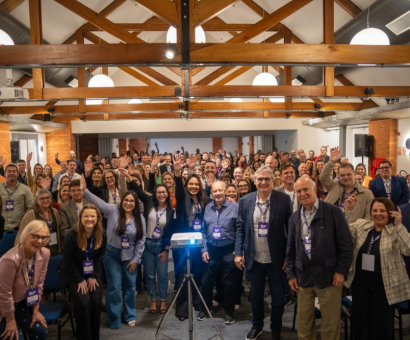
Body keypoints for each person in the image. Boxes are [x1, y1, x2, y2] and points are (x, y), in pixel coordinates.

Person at [286, 176, 353, 340]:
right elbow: (291, 248)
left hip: (329, 276)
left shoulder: (332, 211)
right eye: (299, 191)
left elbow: (346, 244)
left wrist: (341, 271)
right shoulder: (294, 218)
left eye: (305, 189)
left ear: (314, 189)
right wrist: (291, 274)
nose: (302, 194)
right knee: (304, 324)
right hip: (303, 277)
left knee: (330, 325)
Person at [235, 166, 292, 340]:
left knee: (278, 298)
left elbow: (291, 230)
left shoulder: (283, 200)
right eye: (260, 179)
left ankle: (276, 328)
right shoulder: (245, 201)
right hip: (254, 258)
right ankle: (257, 325)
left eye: (267, 179)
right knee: (256, 296)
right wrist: (238, 252)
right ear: (254, 180)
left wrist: (288, 257)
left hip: (277, 259)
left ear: (273, 181)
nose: (263, 182)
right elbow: (240, 228)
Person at [82, 176, 146, 329]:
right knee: (114, 287)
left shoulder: (140, 218)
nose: (128, 203)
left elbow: (141, 240)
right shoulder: (113, 210)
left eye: (131, 201)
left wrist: (136, 260)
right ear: (122, 201)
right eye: (126, 200)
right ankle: (114, 317)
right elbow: (100, 203)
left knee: (130, 287)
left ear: (135, 204)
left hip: (130, 256)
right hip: (112, 255)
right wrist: (85, 191)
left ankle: (130, 315)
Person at [344, 197, 410, 340]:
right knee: (360, 324)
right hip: (360, 285)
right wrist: (348, 210)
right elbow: (344, 233)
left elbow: (408, 249)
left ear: (390, 212)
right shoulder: (363, 226)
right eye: (375, 210)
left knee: (381, 325)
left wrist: (399, 225)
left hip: (385, 286)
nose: (378, 214)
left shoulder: (395, 231)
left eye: (382, 210)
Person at [120, 169, 173, 315]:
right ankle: (153, 301)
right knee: (149, 275)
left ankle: (163, 300)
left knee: (162, 275)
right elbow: (137, 189)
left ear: (167, 194)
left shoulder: (170, 211)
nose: (161, 194)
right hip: (147, 244)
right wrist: (128, 175)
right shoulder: (149, 202)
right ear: (155, 194)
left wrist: (166, 249)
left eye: (164, 192)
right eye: (159, 192)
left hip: (161, 245)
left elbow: (169, 232)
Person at [61, 204, 106, 340]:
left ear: (97, 218)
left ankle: (94, 336)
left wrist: (93, 276)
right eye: (86, 216)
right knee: (84, 302)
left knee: (97, 302)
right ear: (80, 218)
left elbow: (100, 258)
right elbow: (68, 260)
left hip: (93, 274)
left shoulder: (101, 233)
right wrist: (80, 279)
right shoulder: (71, 235)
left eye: (92, 216)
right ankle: (84, 336)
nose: (89, 219)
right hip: (74, 275)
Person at [172, 155, 208, 321]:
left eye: (196, 184)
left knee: (198, 272)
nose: (193, 186)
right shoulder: (182, 197)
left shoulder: (203, 199)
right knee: (183, 274)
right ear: (186, 186)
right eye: (190, 184)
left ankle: (198, 303)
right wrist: (179, 172)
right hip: (183, 241)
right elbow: (178, 188)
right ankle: (182, 309)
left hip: (199, 241)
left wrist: (194, 170)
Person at [0, 220, 50, 340]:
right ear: (25, 234)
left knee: (40, 330)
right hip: (3, 307)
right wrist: (10, 320)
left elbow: (39, 284)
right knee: (15, 337)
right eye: (35, 236)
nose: (39, 241)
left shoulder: (44, 253)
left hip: (23, 302)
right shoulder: (10, 259)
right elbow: (4, 294)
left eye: (44, 237)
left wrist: (35, 310)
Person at [198, 181, 239, 324]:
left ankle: (229, 311)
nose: (218, 193)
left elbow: (240, 230)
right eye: (215, 191)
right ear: (212, 193)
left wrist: (238, 250)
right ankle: (205, 309)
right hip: (211, 250)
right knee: (207, 282)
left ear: (226, 190)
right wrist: (204, 249)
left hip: (229, 250)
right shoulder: (208, 207)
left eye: (220, 190)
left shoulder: (235, 207)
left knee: (228, 283)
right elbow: (203, 230)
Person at [320, 147, 373, 222]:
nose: (346, 177)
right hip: (330, 225)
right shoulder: (335, 186)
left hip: (352, 230)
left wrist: (355, 229)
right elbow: (323, 178)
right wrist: (331, 162)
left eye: (348, 174)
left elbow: (368, 218)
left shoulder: (366, 194)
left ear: (354, 174)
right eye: (342, 175)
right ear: (339, 176)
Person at [16, 189, 62, 254]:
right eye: (42, 198)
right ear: (37, 201)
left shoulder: (55, 212)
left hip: (54, 249)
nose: (45, 200)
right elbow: (21, 234)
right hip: (37, 252)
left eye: (47, 197)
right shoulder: (31, 214)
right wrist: (19, 252)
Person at [0, 163, 34, 231]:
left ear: (18, 174)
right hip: (1, 226)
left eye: (14, 171)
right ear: (5, 174)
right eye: (9, 171)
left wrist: (22, 223)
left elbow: (30, 207)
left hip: (19, 227)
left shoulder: (25, 189)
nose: (11, 173)